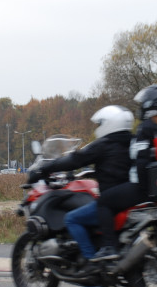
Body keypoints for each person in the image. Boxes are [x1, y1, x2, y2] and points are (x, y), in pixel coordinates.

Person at [27, 106, 134, 275]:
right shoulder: (132, 142)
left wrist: (45, 169)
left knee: (72, 219)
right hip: (132, 197)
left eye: (99, 124)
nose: (97, 128)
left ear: (108, 124)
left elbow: (75, 160)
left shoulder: (104, 144)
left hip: (112, 201)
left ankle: (91, 260)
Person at [93, 84, 157, 261]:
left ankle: (109, 246)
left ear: (150, 105)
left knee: (104, 202)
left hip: (144, 187)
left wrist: (144, 190)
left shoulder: (146, 128)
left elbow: (141, 160)